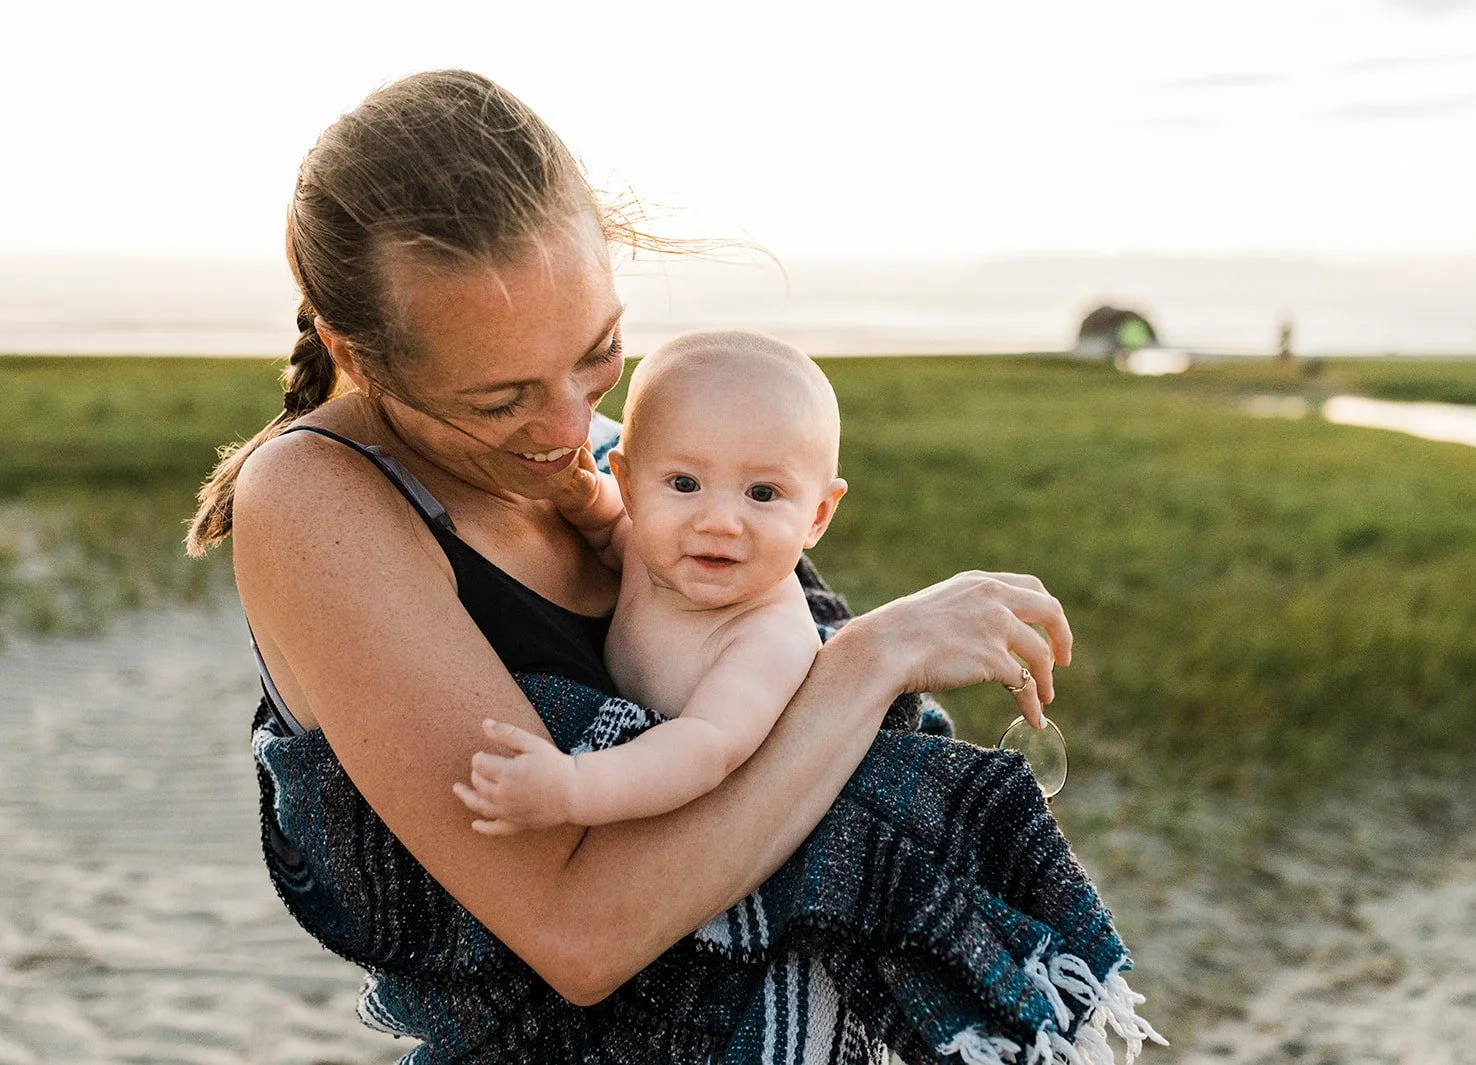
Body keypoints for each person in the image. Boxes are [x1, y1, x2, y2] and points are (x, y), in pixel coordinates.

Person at [187, 69, 1157, 1064]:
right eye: (499, 398)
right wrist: (871, 660)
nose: (573, 430)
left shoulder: (624, 456)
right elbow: (577, 932)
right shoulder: (316, 496)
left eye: (599, 352)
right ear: (357, 350)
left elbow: (763, 680)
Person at [453, 329, 850, 832]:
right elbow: (610, 527)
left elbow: (704, 749)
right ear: (630, 486)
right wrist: (582, 496)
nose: (720, 522)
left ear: (817, 516)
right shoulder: (652, 546)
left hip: (707, 813)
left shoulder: (769, 636)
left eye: (763, 493)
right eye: (685, 484)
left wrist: (575, 787)